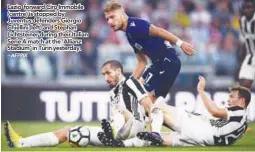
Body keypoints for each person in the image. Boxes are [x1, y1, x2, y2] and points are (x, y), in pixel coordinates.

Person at [4, 60, 152, 148]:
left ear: (118, 71)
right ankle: (21, 142)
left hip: (133, 129)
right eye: (103, 75)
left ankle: (113, 134)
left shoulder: (131, 82)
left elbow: (147, 104)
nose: (106, 77)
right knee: (68, 132)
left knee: (121, 114)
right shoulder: (112, 93)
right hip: (117, 137)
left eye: (108, 73)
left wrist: (152, 131)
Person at [104, 1, 195, 105]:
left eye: (112, 17)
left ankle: (182, 118)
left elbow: (159, 31)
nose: (110, 22)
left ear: (122, 14)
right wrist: (128, 84)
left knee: (148, 103)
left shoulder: (135, 25)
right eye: (107, 19)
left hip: (168, 62)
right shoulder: (129, 35)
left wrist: (180, 43)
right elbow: (142, 62)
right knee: (138, 96)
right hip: (157, 65)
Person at [137, 76, 251, 147]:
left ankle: (151, 129)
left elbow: (214, 111)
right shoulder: (243, 123)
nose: (228, 99)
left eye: (232, 97)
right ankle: (125, 142)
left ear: (242, 101)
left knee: (156, 107)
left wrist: (201, 91)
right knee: (155, 141)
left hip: (201, 128)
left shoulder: (239, 110)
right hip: (203, 141)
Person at [239, 0, 255, 88]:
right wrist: (241, 61)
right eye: (245, 8)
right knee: (243, 87)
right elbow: (244, 42)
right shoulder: (242, 21)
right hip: (250, 57)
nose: (247, 10)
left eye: (249, 7)